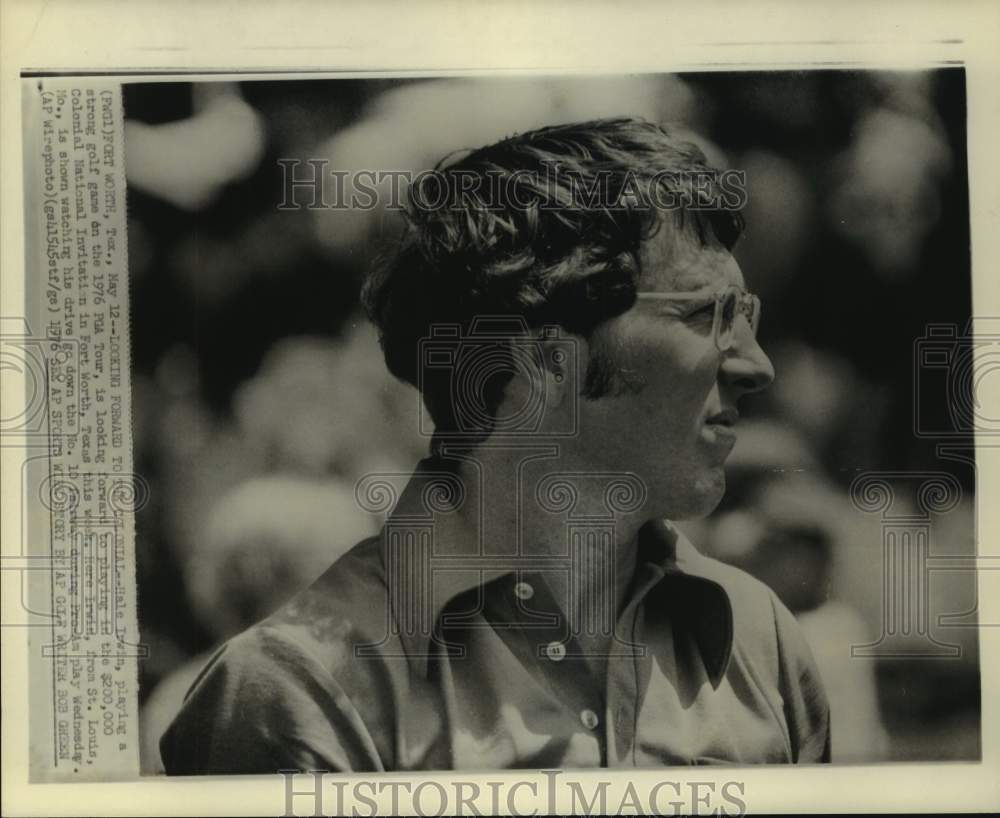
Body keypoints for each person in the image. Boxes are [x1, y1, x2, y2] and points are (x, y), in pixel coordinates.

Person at [160, 117, 831, 773]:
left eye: (747, 318)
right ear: (544, 361)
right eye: (703, 315)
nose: (756, 365)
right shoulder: (298, 694)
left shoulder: (760, 640)